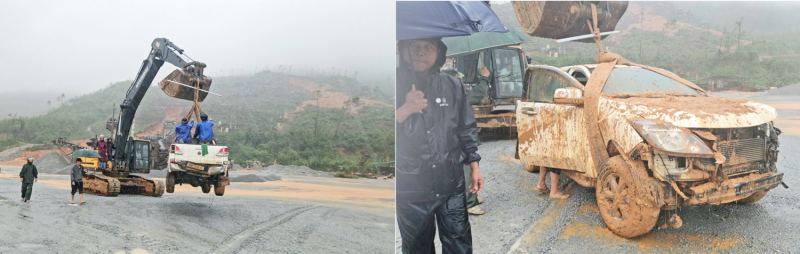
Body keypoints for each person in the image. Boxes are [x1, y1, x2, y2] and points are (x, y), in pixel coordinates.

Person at [396, 38, 483, 254]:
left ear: (439, 52)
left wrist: (474, 166)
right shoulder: (393, 83)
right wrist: (404, 110)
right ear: (403, 48)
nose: (421, 52)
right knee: (417, 248)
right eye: (414, 46)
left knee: (459, 244)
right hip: (411, 188)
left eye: (428, 46)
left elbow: (465, 128)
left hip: (451, 183)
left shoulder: (453, 85)